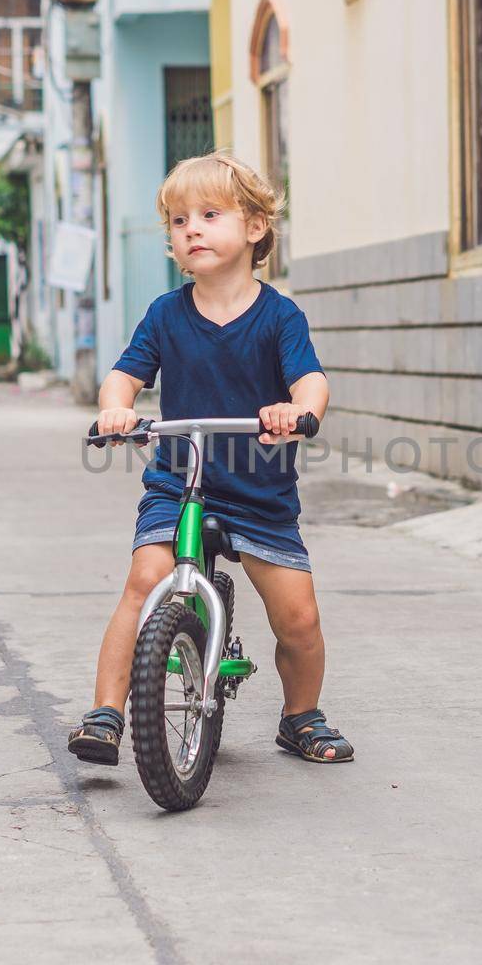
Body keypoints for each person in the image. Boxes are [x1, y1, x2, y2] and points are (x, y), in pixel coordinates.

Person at [68, 152, 353, 767]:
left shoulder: (279, 316)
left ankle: (301, 715)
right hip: (180, 480)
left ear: (254, 228)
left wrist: (295, 411)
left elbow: (312, 383)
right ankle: (106, 714)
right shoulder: (166, 314)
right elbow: (123, 376)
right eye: (177, 221)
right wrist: (117, 409)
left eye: (208, 214)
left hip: (258, 491)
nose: (190, 228)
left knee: (298, 617)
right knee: (144, 581)